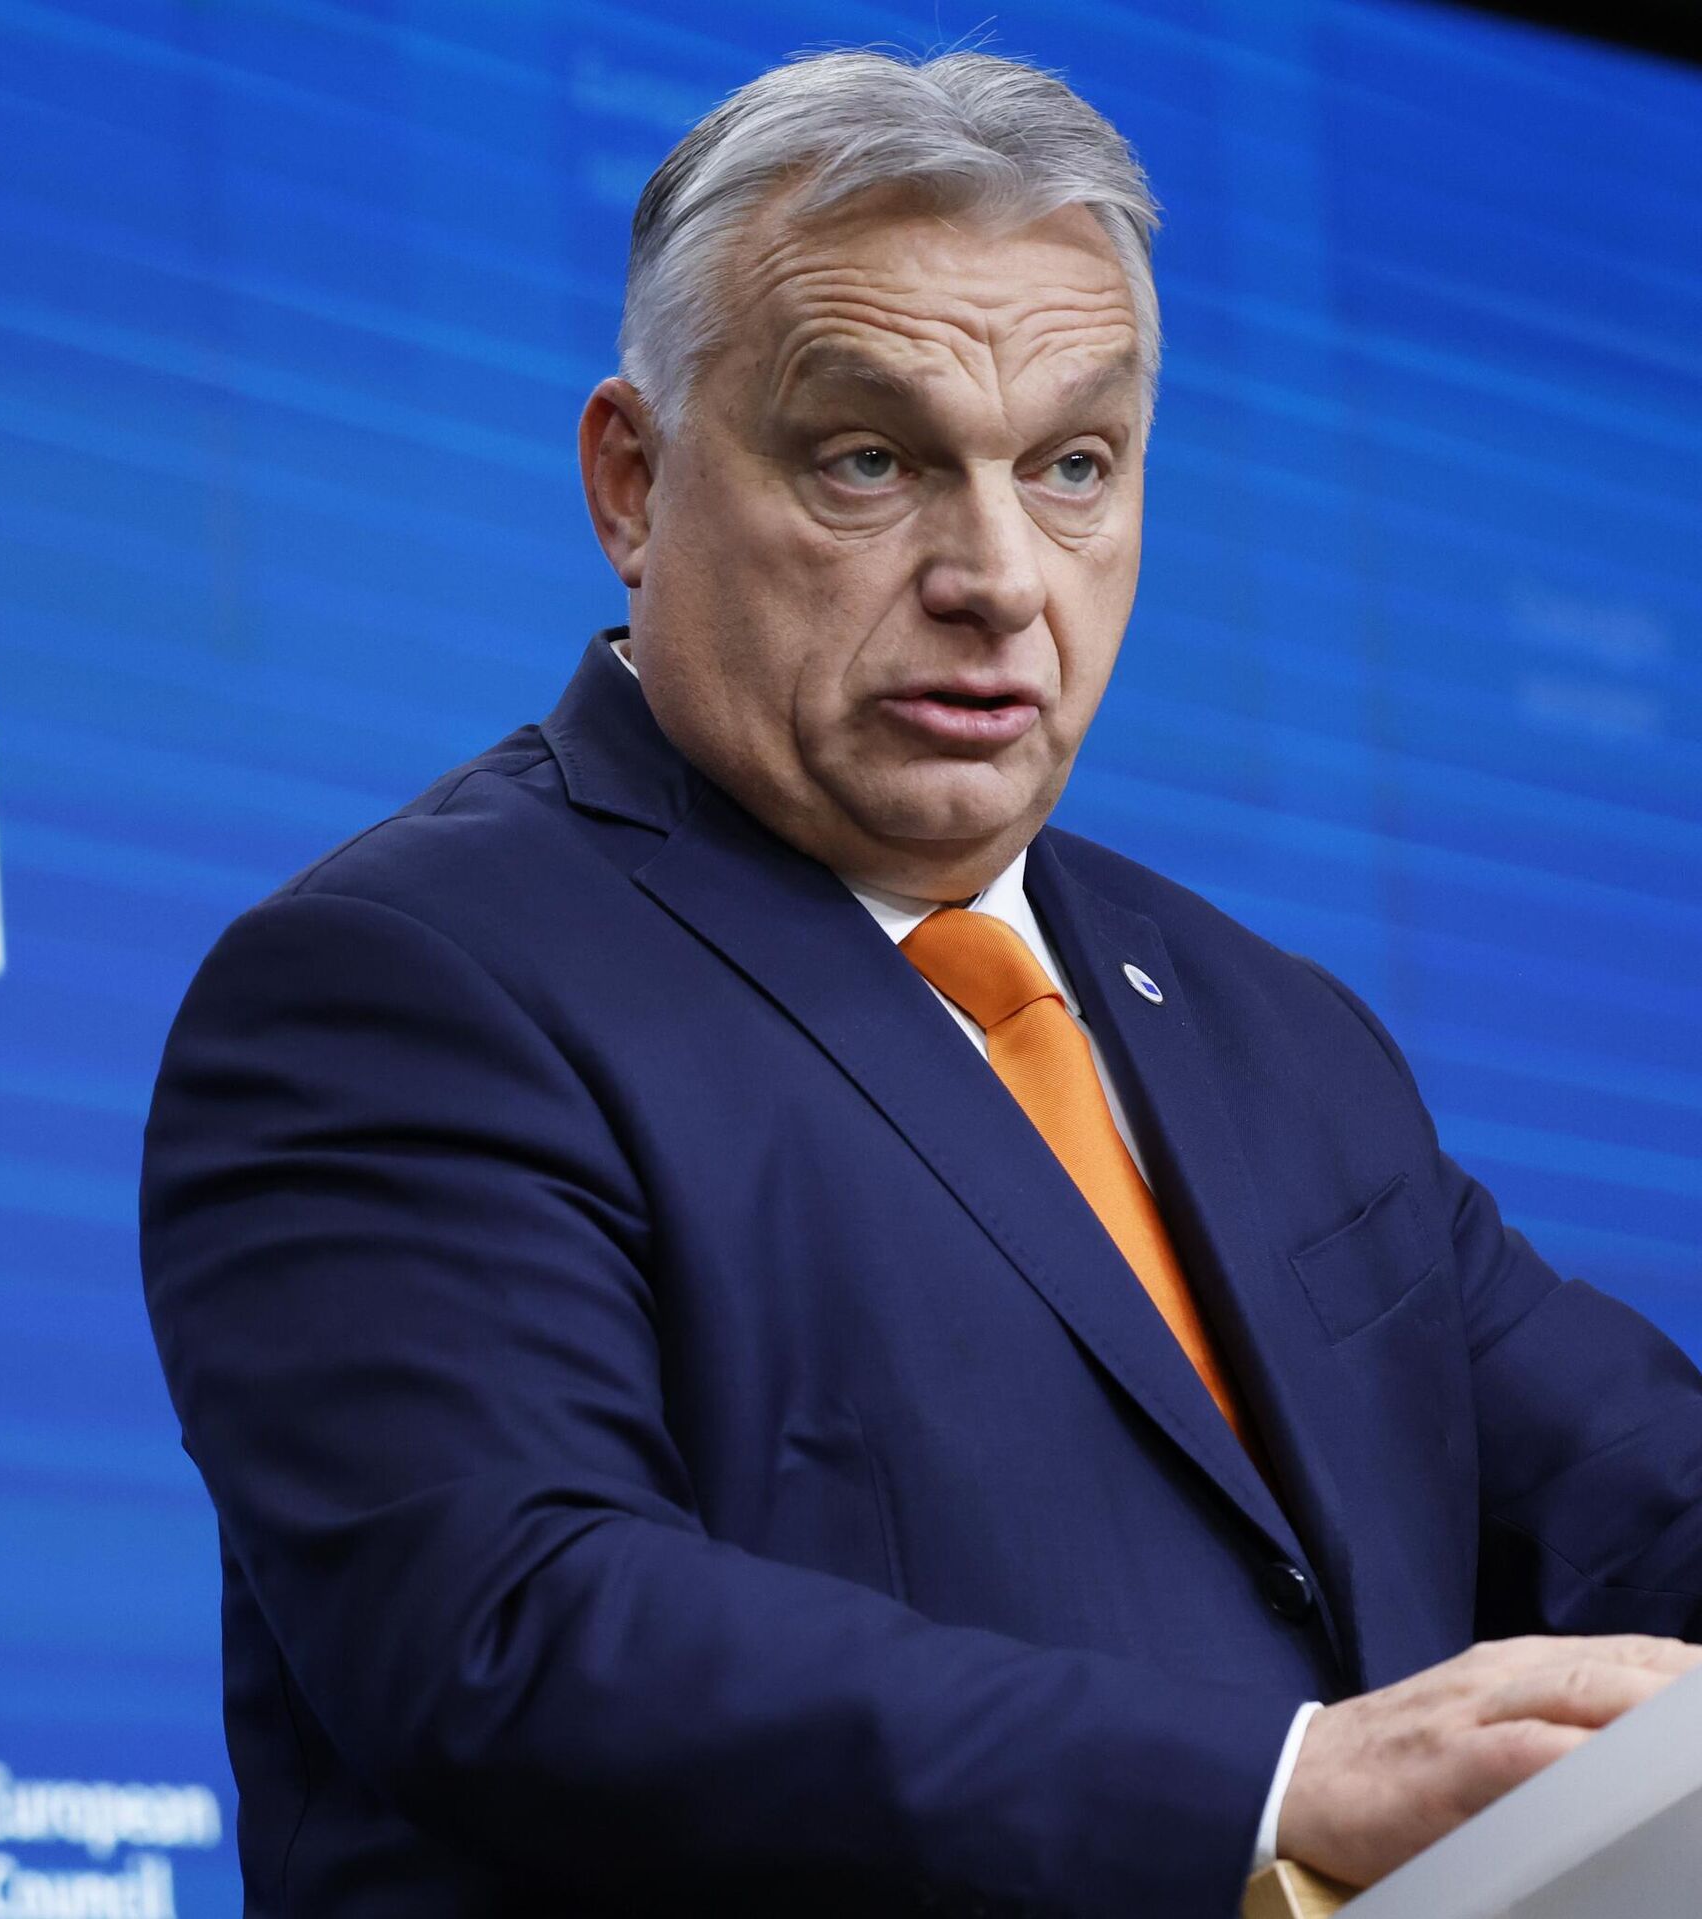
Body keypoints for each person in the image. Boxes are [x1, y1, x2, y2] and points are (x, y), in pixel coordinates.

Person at [139, 48, 1702, 1917]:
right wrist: (1281, 1786)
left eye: (1073, 468)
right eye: (869, 460)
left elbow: (1645, 1506)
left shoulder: (1276, 1030)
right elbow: (520, 1633)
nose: (1000, 577)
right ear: (632, 483)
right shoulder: (401, 988)